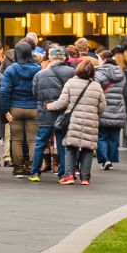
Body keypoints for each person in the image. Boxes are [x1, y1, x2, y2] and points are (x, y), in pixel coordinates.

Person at [48, 57, 106, 185]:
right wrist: (95, 114)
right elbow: (102, 107)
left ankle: (69, 175)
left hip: (74, 120)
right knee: (88, 148)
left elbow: (62, 102)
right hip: (91, 122)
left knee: (70, 147)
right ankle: (85, 178)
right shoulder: (96, 86)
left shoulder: (70, 83)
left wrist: (50, 105)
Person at [28, 43, 75, 182]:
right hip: (64, 112)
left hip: (45, 111)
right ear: (64, 57)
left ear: (50, 57)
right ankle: (62, 174)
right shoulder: (71, 72)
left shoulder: (40, 74)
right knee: (62, 143)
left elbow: (35, 93)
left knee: (40, 142)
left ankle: (34, 172)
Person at [0, 40, 41, 178]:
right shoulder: (38, 69)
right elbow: (40, 90)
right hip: (33, 108)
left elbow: (4, 91)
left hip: (15, 108)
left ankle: (18, 169)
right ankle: (32, 167)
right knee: (33, 140)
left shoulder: (11, 69)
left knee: (16, 139)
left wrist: (5, 110)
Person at [94, 49, 127, 171]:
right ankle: (111, 160)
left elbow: (96, 89)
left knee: (101, 135)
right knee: (114, 136)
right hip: (118, 107)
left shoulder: (99, 73)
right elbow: (124, 91)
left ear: (102, 59)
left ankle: (104, 160)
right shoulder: (121, 73)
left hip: (104, 107)